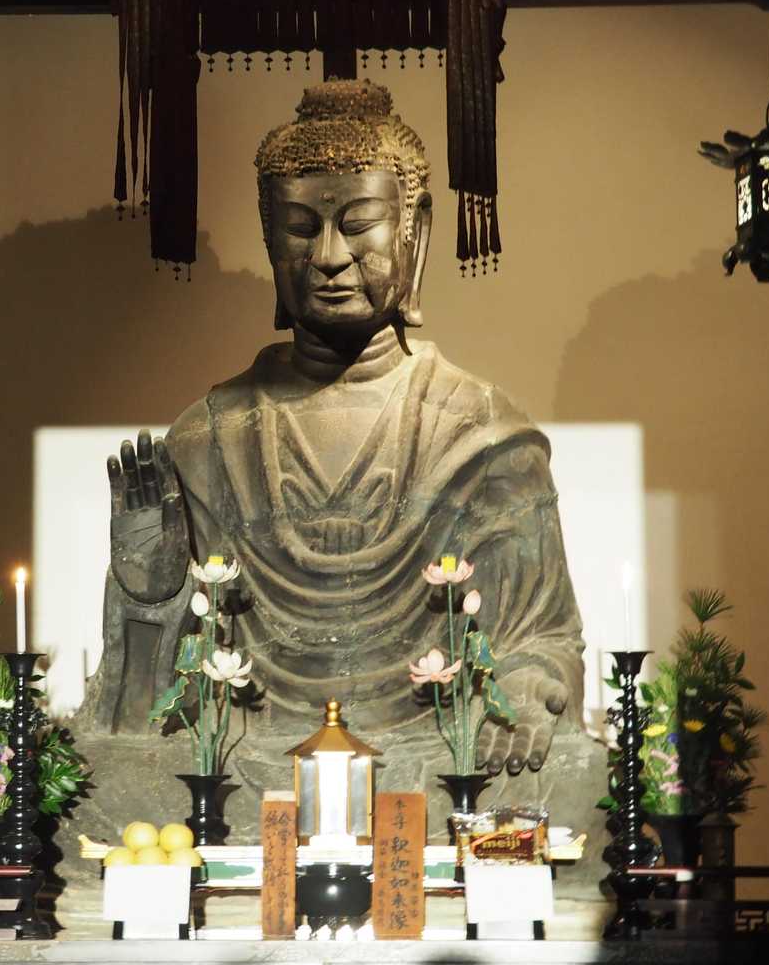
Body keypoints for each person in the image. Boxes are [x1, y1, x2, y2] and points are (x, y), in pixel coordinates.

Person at [99, 79, 583, 776]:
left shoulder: (483, 435)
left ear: (415, 232)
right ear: (270, 241)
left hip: (436, 757)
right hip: (249, 760)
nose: (327, 255)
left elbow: (540, 636)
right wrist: (149, 592)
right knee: (141, 782)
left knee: (538, 775)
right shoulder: (209, 439)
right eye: (300, 227)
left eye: (358, 224)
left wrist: (529, 683)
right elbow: (155, 709)